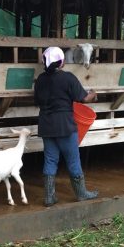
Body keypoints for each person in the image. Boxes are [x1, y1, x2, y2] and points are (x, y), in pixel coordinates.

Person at [34, 46, 99, 207]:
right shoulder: (68, 78)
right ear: (61, 62)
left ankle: (49, 197)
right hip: (65, 126)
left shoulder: (40, 80)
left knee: (50, 160)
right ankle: (81, 194)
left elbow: (37, 101)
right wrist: (93, 94)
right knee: (73, 160)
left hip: (46, 126)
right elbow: (83, 98)